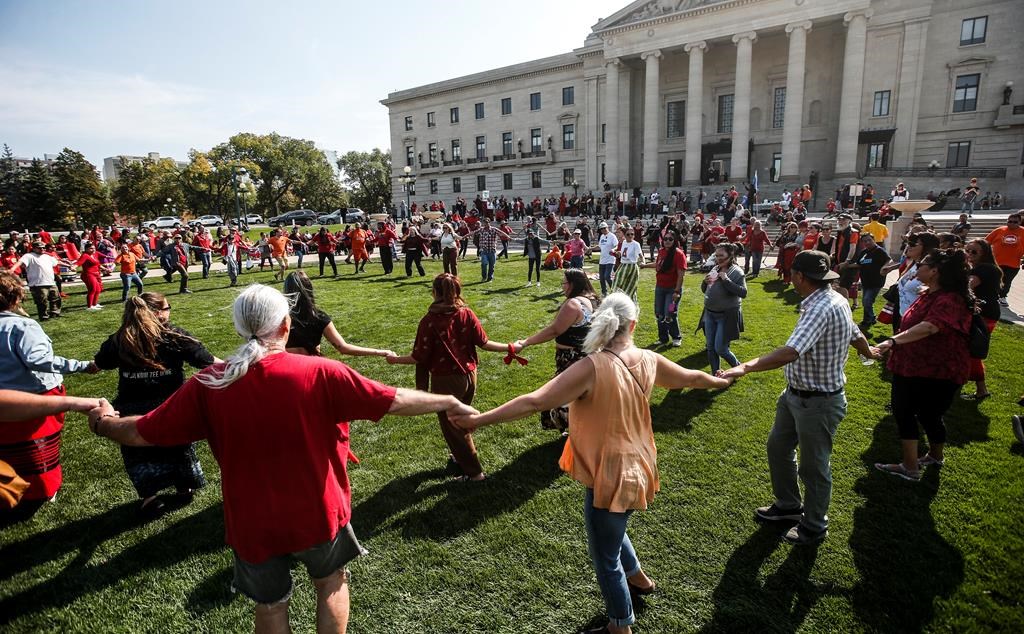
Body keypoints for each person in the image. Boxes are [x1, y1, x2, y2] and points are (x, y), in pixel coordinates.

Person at [86, 284, 476, 633]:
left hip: (251, 521)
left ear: (240, 327)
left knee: (270, 606)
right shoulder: (320, 372)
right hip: (319, 511)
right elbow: (395, 400)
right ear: (286, 326)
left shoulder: (209, 383)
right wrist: (448, 400)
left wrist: (104, 422)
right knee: (331, 584)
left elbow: (141, 431)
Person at [450, 293, 730, 633]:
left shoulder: (591, 367)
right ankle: (640, 579)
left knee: (604, 555)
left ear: (601, 322)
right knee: (611, 527)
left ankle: (620, 625)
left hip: (611, 470)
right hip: (638, 462)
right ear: (633, 324)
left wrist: (478, 421)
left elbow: (535, 402)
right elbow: (690, 377)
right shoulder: (647, 359)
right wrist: (719, 379)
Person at [719, 251, 873, 545]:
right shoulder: (836, 299)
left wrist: (744, 367)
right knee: (778, 447)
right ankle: (788, 506)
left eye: (792, 272)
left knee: (814, 467)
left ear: (800, 276)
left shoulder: (820, 308)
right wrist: (870, 352)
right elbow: (855, 334)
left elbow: (791, 351)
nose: (790, 276)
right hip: (795, 395)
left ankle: (814, 525)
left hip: (818, 401)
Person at [93, 293, 217, 519]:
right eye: (168, 308)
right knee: (178, 445)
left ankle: (150, 498)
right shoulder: (173, 335)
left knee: (137, 450)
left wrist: (87, 367)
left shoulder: (121, 338)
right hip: (170, 404)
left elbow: (101, 362)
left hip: (132, 406)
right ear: (159, 312)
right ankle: (184, 487)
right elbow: (208, 361)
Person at [387, 274, 512, 481]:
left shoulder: (429, 321)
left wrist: (394, 360)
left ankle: (475, 474)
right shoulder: (466, 313)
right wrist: (509, 347)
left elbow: (418, 356)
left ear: (435, 292)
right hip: (470, 375)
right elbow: (484, 343)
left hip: (446, 379)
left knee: (453, 425)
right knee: (461, 420)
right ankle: (459, 456)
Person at [0, 270, 99, 517]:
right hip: (35, 398)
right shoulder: (20, 325)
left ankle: (10, 488)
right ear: (15, 296)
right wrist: (82, 365)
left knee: (8, 448)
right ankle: (40, 491)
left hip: (6, 401)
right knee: (37, 450)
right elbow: (40, 361)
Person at [871, 249, 974, 480]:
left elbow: (930, 327)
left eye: (924, 265)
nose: (919, 268)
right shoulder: (931, 294)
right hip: (920, 365)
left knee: (905, 411)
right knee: (929, 414)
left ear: (935, 271)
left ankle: (910, 466)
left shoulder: (949, 299)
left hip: (931, 369)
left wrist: (892, 341)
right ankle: (935, 456)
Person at [514, 268, 599, 434]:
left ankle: (578, 431)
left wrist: (526, 342)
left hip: (571, 358)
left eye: (564, 282)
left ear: (573, 284)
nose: (562, 286)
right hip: (587, 356)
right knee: (579, 394)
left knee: (556, 396)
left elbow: (555, 330)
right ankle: (581, 429)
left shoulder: (573, 304)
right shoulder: (594, 300)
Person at [283, 271, 396, 358]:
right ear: (309, 288)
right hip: (312, 366)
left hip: (288, 367)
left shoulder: (280, 316)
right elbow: (343, 347)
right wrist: (381, 352)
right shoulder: (318, 316)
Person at [963, 239, 1003, 400]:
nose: (970, 254)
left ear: (984, 253)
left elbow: (968, 287)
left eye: (974, 252)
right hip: (983, 313)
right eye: (968, 250)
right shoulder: (982, 268)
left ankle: (981, 389)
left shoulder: (984, 269)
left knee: (972, 350)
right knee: (969, 349)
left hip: (984, 314)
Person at [699, 243, 747, 373]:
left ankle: (738, 367)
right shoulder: (715, 268)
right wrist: (704, 282)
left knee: (720, 348)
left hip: (725, 316)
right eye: (716, 255)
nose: (718, 258)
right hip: (710, 314)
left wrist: (726, 280)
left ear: (730, 255)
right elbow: (705, 290)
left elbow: (743, 293)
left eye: (721, 255)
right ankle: (716, 374)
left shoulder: (737, 272)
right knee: (710, 347)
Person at [641, 230, 687, 346]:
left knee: (670, 313)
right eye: (665, 239)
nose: (667, 241)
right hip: (660, 289)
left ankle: (676, 337)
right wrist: (645, 265)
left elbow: (681, 275)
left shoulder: (679, 254)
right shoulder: (661, 251)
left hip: (673, 290)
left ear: (675, 241)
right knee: (659, 313)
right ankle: (663, 338)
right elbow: (658, 265)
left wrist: (677, 291)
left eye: (670, 239)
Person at [893, 232, 940, 330]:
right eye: (909, 243)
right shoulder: (913, 264)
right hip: (904, 316)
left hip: (918, 321)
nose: (908, 246)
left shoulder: (932, 270)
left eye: (913, 244)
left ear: (927, 247)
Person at [846, 234, 891, 329]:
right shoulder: (864, 252)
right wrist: (846, 265)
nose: (867, 242)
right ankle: (866, 321)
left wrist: (884, 267)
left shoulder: (879, 251)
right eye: (865, 241)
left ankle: (872, 318)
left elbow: (889, 260)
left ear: (873, 240)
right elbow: (858, 264)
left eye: (869, 240)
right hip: (865, 281)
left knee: (867, 301)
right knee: (867, 302)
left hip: (876, 282)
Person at [984, 212, 1024, 306]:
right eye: (1010, 221)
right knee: (994, 279)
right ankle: (991, 296)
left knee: (1007, 281)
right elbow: (986, 242)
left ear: (1020, 222)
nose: (1012, 223)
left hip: (1013, 263)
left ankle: (1002, 296)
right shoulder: (1000, 230)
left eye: (1015, 222)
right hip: (996, 262)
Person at [17, 241, 62, 320]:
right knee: (42, 301)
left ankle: (55, 313)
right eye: (39, 248)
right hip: (38, 284)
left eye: (43, 247)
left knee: (56, 298)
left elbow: (57, 262)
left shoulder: (47, 256)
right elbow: (20, 262)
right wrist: (11, 270)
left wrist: (69, 265)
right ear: (34, 248)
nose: (42, 249)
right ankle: (44, 316)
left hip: (51, 282)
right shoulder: (29, 256)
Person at [468, 218, 512, 282]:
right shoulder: (481, 230)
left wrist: (508, 237)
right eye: (484, 223)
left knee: (492, 265)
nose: (485, 224)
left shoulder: (494, 229)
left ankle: (490, 278)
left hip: (492, 250)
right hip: (484, 250)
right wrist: (463, 237)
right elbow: (472, 233)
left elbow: (502, 232)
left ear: (489, 222)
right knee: (484, 264)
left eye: (487, 222)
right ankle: (484, 277)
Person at [611, 226, 645, 305]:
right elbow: (623, 253)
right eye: (628, 234)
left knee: (631, 286)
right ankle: (616, 300)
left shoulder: (636, 244)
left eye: (632, 234)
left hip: (632, 266)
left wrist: (643, 262)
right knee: (617, 282)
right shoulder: (624, 243)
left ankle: (631, 304)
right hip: (623, 265)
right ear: (625, 235)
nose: (630, 236)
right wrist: (618, 253)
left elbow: (640, 255)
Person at [76, 242, 104, 310]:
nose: (93, 249)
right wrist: (74, 266)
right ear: (86, 249)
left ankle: (94, 304)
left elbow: (97, 264)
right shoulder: (85, 255)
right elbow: (79, 262)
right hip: (88, 275)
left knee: (98, 289)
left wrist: (104, 268)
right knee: (92, 289)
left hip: (95, 274)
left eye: (94, 248)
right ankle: (89, 306)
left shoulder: (93, 255)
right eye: (91, 248)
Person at [597, 221, 619, 295]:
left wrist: (613, 249)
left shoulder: (612, 236)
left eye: (604, 228)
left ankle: (613, 290)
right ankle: (604, 292)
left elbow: (617, 245)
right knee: (602, 278)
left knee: (607, 276)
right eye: (602, 229)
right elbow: (599, 246)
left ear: (607, 227)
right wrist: (590, 248)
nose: (603, 230)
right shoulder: (602, 236)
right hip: (602, 260)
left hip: (610, 259)